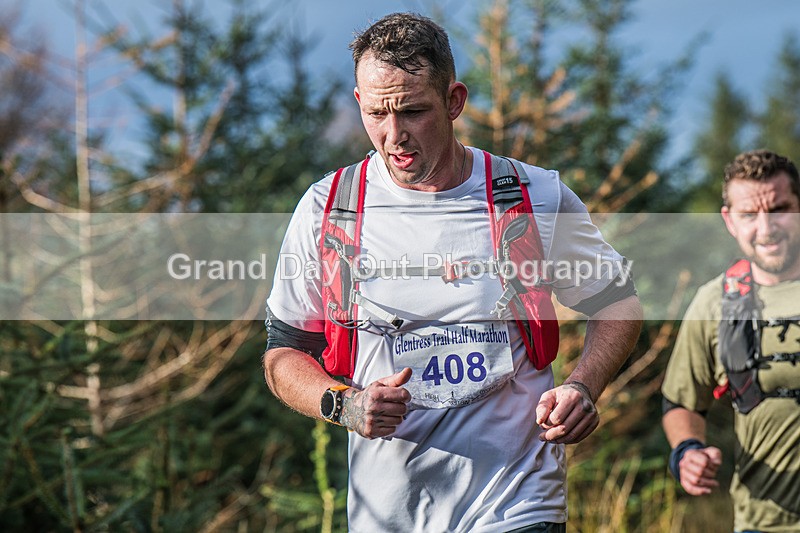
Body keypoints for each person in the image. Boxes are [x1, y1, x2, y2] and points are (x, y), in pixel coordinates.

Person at [263, 13, 642, 532]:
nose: (394, 135)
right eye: (376, 113)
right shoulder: (328, 209)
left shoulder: (533, 196)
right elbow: (283, 356)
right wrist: (346, 406)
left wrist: (582, 386)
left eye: (413, 111)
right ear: (359, 102)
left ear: (454, 101)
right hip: (387, 513)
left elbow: (617, 302)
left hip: (516, 501)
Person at [662, 150, 800, 532]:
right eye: (749, 215)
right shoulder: (715, 302)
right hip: (762, 523)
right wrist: (687, 452)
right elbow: (681, 402)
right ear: (729, 220)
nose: (766, 228)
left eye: (779, 209)